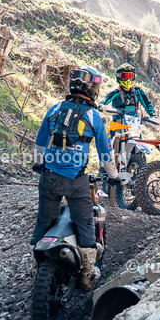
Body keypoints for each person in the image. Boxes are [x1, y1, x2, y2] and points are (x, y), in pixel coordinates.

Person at [31, 66, 124, 290]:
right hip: (76, 181)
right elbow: (105, 153)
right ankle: (87, 274)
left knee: (44, 221)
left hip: (49, 177)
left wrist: (38, 162)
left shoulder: (55, 109)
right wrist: (114, 177)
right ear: (92, 89)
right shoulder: (94, 116)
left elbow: (40, 141)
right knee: (85, 224)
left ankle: (35, 267)